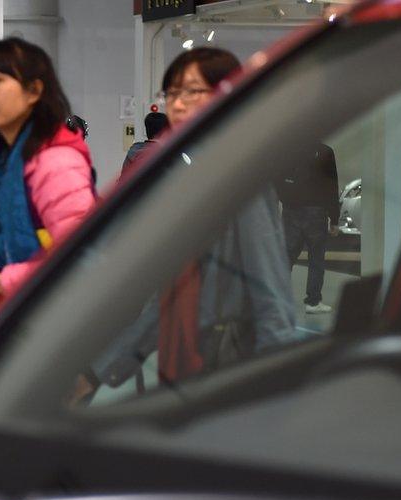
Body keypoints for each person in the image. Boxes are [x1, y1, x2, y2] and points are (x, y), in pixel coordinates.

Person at [72, 47, 295, 402]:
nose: (177, 103)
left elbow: (270, 294)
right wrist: (98, 371)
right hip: (187, 368)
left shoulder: (242, 177)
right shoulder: (195, 176)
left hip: (229, 377)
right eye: (172, 92)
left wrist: (274, 399)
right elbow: (173, 299)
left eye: (191, 91)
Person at [0, 38, 96, 297]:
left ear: (33, 91)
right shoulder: (8, 158)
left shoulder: (55, 162)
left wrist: (4, 282)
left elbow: (78, 258)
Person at [276, 142, 341, 314]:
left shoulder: (288, 149)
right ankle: (313, 302)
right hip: (316, 212)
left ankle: (277, 300)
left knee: (286, 257)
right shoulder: (325, 152)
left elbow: (277, 180)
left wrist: (282, 201)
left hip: (291, 211)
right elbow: (331, 186)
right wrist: (334, 219)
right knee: (316, 259)